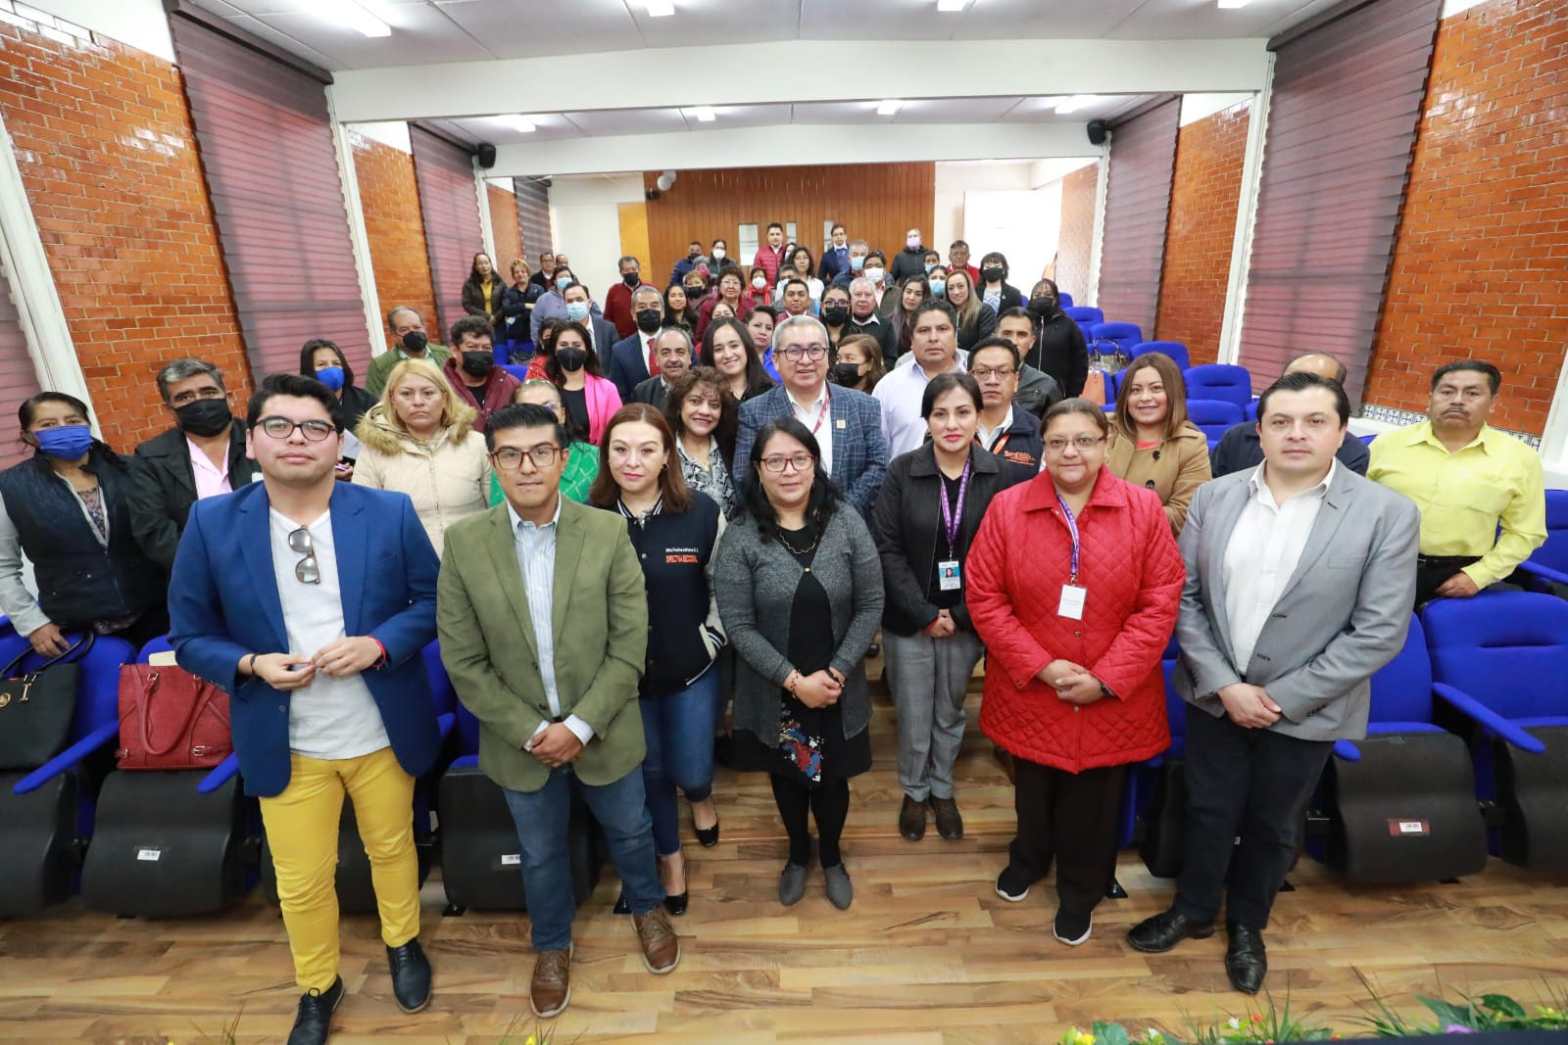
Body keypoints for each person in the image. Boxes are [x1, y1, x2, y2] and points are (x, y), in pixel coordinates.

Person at [168, 373, 442, 1043]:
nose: (298, 439)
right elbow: (189, 637)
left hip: (380, 725)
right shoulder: (212, 523)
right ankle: (318, 984)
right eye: (279, 426)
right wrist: (249, 664)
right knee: (300, 877)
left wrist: (379, 643)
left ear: (337, 442)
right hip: (285, 735)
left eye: (315, 427)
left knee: (392, 847)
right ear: (251, 441)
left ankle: (403, 941)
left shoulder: (387, 512)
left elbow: (433, 602)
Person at [1127, 372, 1420, 994]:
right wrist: (1225, 685)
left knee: (1274, 822)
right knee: (1208, 809)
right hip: (1217, 696)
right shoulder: (1216, 497)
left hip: (1309, 708)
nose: (1296, 434)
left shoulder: (1387, 514)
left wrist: (1282, 698)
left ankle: (1248, 926)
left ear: (1341, 432)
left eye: (1315, 421)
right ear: (1258, 431)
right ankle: (1194, 909)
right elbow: (1185, 598)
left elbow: (1379, 631)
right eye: (1281, 422)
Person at [436, 402, 681, 1020]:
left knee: (632, 831)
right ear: (494, 464)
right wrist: (531, 731)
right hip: (518, 739)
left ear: (563, 459)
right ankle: (551, 945)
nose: (527, 467)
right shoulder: (464, 544)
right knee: (540, 852)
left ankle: (648, 907)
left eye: (540, 452)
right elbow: (463, 660)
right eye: (511, 455)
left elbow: (629, 643)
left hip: (604, 726)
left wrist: (579, 725)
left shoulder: (606, 533)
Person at [968, 398, 1183, 947]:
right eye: (1058, 441)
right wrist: (1040, 666)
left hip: (1111, 692)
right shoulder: (1008, 507)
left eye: (1084, 440)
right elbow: (985, 596)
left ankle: (1081, 891)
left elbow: (1161, 601)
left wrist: (1105, 677)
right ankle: (1029, 858)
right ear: (1043, 447)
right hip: (1032, 686)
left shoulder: (1143, 509)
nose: (1070, 452)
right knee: (1032, 788)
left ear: (1106, 444)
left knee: (1095, 803)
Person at [714, 418, 884, 909]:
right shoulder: (742, 536)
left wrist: (837, 671)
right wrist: (793, 681)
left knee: (833, 780)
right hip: (777, 691)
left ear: (815, 463)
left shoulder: (845, 520)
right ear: (757, 469)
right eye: (775, 461)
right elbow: (738, 624)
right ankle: (796, 854)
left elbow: (871, 602)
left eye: (799, 459)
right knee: (788, 779)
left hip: (836, 687)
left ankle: (830, 856)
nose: (788, 471)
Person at [588, 404, 726, 916]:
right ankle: (671, 858)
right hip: (621, 681)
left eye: (647, 450)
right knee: (651, 773)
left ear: (667, 455)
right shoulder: (589, 518)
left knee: (691, 769)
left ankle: (701, 795)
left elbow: (725, 588)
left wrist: (711, 640)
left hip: (690, 668)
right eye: (620, 449)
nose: (633, 461)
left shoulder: (702, 512)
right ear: (606, 455)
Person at [872, 372, 1018, 844]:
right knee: (914, 711)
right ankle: (915, 791)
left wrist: (962, 614)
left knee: (950, 709)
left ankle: (942, 787)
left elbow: (1007, 556)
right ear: (926, 420)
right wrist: (924, 613)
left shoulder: (1002, 476)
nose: (951, 424)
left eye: (962, 412)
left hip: (970, 617)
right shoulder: (902, 471)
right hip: (910, 617)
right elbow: (887, 547)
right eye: (940, 414)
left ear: (978, 416)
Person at [2, 392, 168, 655]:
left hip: (158, 614)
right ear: (28, 436)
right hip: (76, 628)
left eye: (72, 420)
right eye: (48, 425)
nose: (63, 429)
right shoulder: (12, 487)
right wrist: (33, 624)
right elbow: (3, 567)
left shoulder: (131, 470)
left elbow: (167, 536)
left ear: (87, 425)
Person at [1368, 360, 1546, 605]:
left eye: (1472, 393)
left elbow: (1525, 532)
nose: (1458, 400)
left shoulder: (1519, 459)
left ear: (1493, 402)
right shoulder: (1387, 444)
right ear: (1431, 397)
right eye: (1447, 391)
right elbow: (1350, 508)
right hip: (1378, 563)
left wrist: (1479, 576)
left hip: (1457, 576)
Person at [734, 315, 889, 518]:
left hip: (849, 526)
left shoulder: (864, 406)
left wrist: (838, 515)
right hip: (779, 528)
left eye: (815, 350)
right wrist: (792, 518)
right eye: (794, 351)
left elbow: (878, 466)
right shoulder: (754, 412)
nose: (806, 360)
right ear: (776, 360)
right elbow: (743, 477)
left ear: (828, 357)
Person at [127, 358, 260, 573]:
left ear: (228, 397)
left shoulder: (264, 439)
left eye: (208, 392)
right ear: (170, 410)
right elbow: (155, 532)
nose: (199, 402)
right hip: (205, 576)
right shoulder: (150, 459)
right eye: (185, 397)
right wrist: (214, 568)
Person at [352, 358, 490, 553]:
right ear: (392, 399)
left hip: (476, 556)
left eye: (428, 393)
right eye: (406, 394)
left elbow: (499, 509)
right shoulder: (373, 452)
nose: (418, 402)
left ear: (444, 397)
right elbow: (364, 517)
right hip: (408, 563)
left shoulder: (476, 444)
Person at [1211, 353, 1370, 478]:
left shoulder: (1353, 452)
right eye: (1291, 381)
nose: (1300, 391)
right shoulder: (1237, 437)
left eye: (1315, 384)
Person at [1105, 352, 1211, 535]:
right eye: (1135, 390)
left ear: (1173, 393)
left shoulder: (1191, 445)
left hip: (1149, 543)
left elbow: (1183, 515)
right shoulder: (1102, 429)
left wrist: (1122, 514)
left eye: (1156, 388)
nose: (1145, 397)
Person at [875, 300, 967, 458]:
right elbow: (877, 452)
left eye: (942, 329)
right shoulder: (889, 386)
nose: (933, 338)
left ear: (955, 335)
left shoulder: (975, 378)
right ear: (911, 339)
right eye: (924, 330)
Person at [488, 381, 599, 508]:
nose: (540, 417)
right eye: (529, 410)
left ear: (563, 414)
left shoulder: (595, 458)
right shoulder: (504, 461)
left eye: (549, 408)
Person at [971, 336, 1048, 481]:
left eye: (1002, 372)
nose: (992, 381)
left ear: (1016, 381)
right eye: (982, 372)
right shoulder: (951, 428)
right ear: (968, 377)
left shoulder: (1039, 433)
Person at [665, 366, 739, 518]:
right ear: (679, 405)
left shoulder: (733, 447)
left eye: (714, 405)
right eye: (695, 401)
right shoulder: (664, 450)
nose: (705, 411)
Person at [299, 339, 376, 471]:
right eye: (322, 365)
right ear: (309, 371)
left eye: (336, 363)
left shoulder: (365, 400)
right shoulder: (300, 406)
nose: (331, 369)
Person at [546, 320, 622, 446]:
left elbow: (617, 431)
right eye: (564, 345)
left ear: (587, 350)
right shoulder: (544, 389)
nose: (570, 349)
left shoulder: (607, 389)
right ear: (554, 350)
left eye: (577, 345)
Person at [442, 316, 521, 433]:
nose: (480, 352)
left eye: (486, 348)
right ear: (455, 351)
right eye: (472, 347)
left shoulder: (510, 384)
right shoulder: (441, 387)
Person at [996, 306, 1074, 415]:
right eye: (1007, 334)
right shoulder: (977, 379)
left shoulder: (1046, 385)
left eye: (1021, 335)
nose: (1013, 341)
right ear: (995, 337)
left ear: (1032, 342)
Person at [1023, 280, 1089, 398]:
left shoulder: (1068, 325)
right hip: (1023, 392)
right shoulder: (1022, 322)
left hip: (1057, 394)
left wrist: (1072, 394)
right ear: (1031, 299)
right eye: (1037, 295)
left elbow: (1080, 362)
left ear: (1055, 299)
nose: (1042, 297)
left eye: (1048, 295)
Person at [367, 306, 450, 398]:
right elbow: (376, 401)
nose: (413, 333)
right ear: (394, 335)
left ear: (424, 328)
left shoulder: (445, 354)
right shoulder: (380, 365)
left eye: (417, 327)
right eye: (404, 330)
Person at [608, 285, 669, 400]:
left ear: (663, 312)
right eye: (642, 307)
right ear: (633, 314)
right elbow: (619, 395)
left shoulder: (681, 342)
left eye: (654, 305)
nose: (649, 310)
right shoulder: (620, 351)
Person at [701, 315, 774, 403]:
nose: (728, 355)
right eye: (718, 349)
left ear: (746, 347)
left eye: (734, 346)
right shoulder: (702, 397)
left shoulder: (770, 392)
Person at [631, 327, 694, 411]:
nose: (673, 359)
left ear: (689, 357)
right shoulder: (642, 392)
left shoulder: (702, 388)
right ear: (656, 359)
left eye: (680, 352)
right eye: (666, 353)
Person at [846, 276, 895, 366]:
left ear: (875, 300)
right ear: (850, 299)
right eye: (858, 294)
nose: (863, 299)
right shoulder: (843, 324)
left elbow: (891, 359)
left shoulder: (886, 325)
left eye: (868, 295)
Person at [562, 281, 619, 359]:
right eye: (570, 301)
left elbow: (616, 358)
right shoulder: (561, 330)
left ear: (589, 303)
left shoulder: (607, 327)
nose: (575, 304)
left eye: (579, 299)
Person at [946, 270, 997, 353]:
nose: (956, 292)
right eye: (951, 288)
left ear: (969, 287)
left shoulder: (984, 311)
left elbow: (985, 346)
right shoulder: (944, 313)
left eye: (960, 286)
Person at [500, 258, 544, 352]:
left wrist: (517, 309)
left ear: (528, 273)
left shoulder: (539, 289)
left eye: (523, 271)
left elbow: (541, 309)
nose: (520, 274)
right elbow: (507, 310)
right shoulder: (508, 292)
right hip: (516, 336)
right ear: (513, 275)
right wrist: (525, 305)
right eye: (516, 272)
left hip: (536, 334)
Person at [529, 264, 576, 344]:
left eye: (567, 276)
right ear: (555, 281)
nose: (565, 279)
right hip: (550, 344)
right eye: (561, 277)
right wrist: (539, 344)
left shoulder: (579, 295)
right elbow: (535, 323)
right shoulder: (544, 299)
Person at [696, 269, 749, 338]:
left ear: (741, 287)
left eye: (735, 283)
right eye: (727, 282)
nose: (731, 286)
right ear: (719, 285)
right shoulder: (707, 307)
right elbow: (699, 336)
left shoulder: (749, 307)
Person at [887, 275, 931, 359]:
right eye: (908, 292)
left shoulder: (931, 323)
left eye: (918, 294)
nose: (911, 297)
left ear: (925, 297)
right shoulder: (888, 322)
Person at [605, 255, 648, 339]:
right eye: (627, 270)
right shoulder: (614, 291)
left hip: (646, 336)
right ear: (621, 272)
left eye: (634, 269)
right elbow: (607, 318)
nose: (631, 272)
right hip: (621, 339)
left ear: (639, 270)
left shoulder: (649, 288)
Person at [462, 252, 505, 328]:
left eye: (486, 263)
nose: (484, 266)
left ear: (490, 264)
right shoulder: (469, 284)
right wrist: (487, 317)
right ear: (475, 267)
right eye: (480, 264)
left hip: (498, 323)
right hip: (478, 323)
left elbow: (506, 302)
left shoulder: (500, 282)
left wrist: (496, 318)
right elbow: (467, 304)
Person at [774, 246, 823, 311]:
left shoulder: (818, 283)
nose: (802, 261)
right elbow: (778, 307)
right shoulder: (783, 283)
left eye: (805, 258)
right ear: (792, 261)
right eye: (798, 258)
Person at [747, 305, 780, 381]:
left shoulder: (780, 358)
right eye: (757, 326)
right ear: (745, 327)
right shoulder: (737, 357)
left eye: (769, 328)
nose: (763, 332)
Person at [752, 222, 788, 290]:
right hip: (767, 290)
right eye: (772, 234)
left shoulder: (787, 251)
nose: (775, 237)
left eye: (778, 234)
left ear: (782, 236)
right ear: (767, 236)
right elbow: (756, 273)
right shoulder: (760, 253)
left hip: (786, 288)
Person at [819, 284, 853, 351]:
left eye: (842, 302)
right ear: (822, 306)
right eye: (830, 302)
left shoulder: (858, 337)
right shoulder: (812, 336)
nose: (836, 307)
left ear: (849, 307)